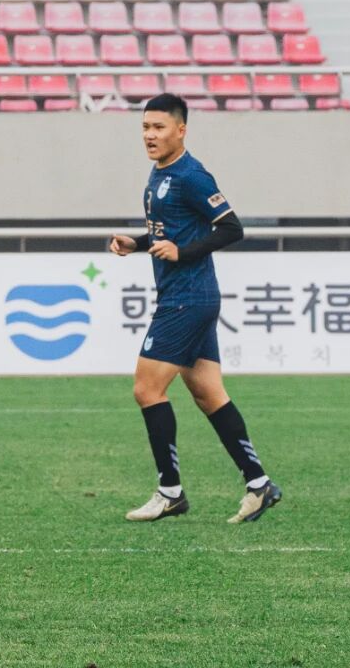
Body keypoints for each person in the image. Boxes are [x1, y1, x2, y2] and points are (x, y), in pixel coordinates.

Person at [109, 94, 282, 524]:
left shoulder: (191, 175)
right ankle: (259, 484)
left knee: (147, 389)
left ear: (181, 129)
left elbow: (232, 228)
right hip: (189, 296)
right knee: (208, 393)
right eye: (145, 127)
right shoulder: (159, 173)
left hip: (186, 298)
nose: (150, 135)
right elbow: (169, 233)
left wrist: (182, 253)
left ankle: (170, 492)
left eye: (159, 127)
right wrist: (138, 243)